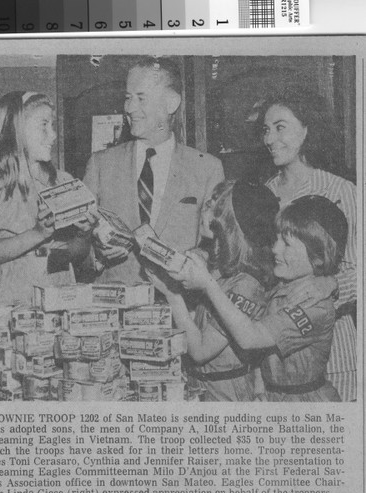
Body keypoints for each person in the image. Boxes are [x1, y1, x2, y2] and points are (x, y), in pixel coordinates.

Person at [150, 195, 347, 402]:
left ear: (317, 256)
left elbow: (250, 338)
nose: (275, 249)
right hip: (273, 397)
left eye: (287, 244)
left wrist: (207, 285)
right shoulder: (283, 282)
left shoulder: (314, 304)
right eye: (277, 239)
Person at [0, 91, 90, 373]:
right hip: (13, 298)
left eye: (53, 126)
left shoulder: (65, 182)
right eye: (43, 125)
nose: (53, 135)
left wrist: (83, 235)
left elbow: (78, 256)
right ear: (16, 131)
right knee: (14, 380)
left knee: (62, 382)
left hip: (61, 293)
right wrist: (38, 233)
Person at [83, 56, 224, 284]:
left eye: (141, 98)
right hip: (116, 309)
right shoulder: (101, 164)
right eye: (128, 98)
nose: (129, 108)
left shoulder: (208, 168)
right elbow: (77, 247)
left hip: (178, 311)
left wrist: (198, 258)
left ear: (171, 103)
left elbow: (218, 244)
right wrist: (96, 254)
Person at [258, 87, 357, 401]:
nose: (270, 139)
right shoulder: (262, 195)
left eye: (280, 127)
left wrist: (331, 283)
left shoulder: (342, 190)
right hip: (274, 363)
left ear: (306, 130)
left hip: (334, 361)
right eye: (266, 130)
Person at [146, 179, 280, 401]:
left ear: (231, 223)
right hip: (202, 385)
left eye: (215, 206)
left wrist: (173, 294)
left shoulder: (246, 284)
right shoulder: (219, 268)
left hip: (226, 393)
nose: (205, 207)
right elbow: (199, 323)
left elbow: (200, 352)